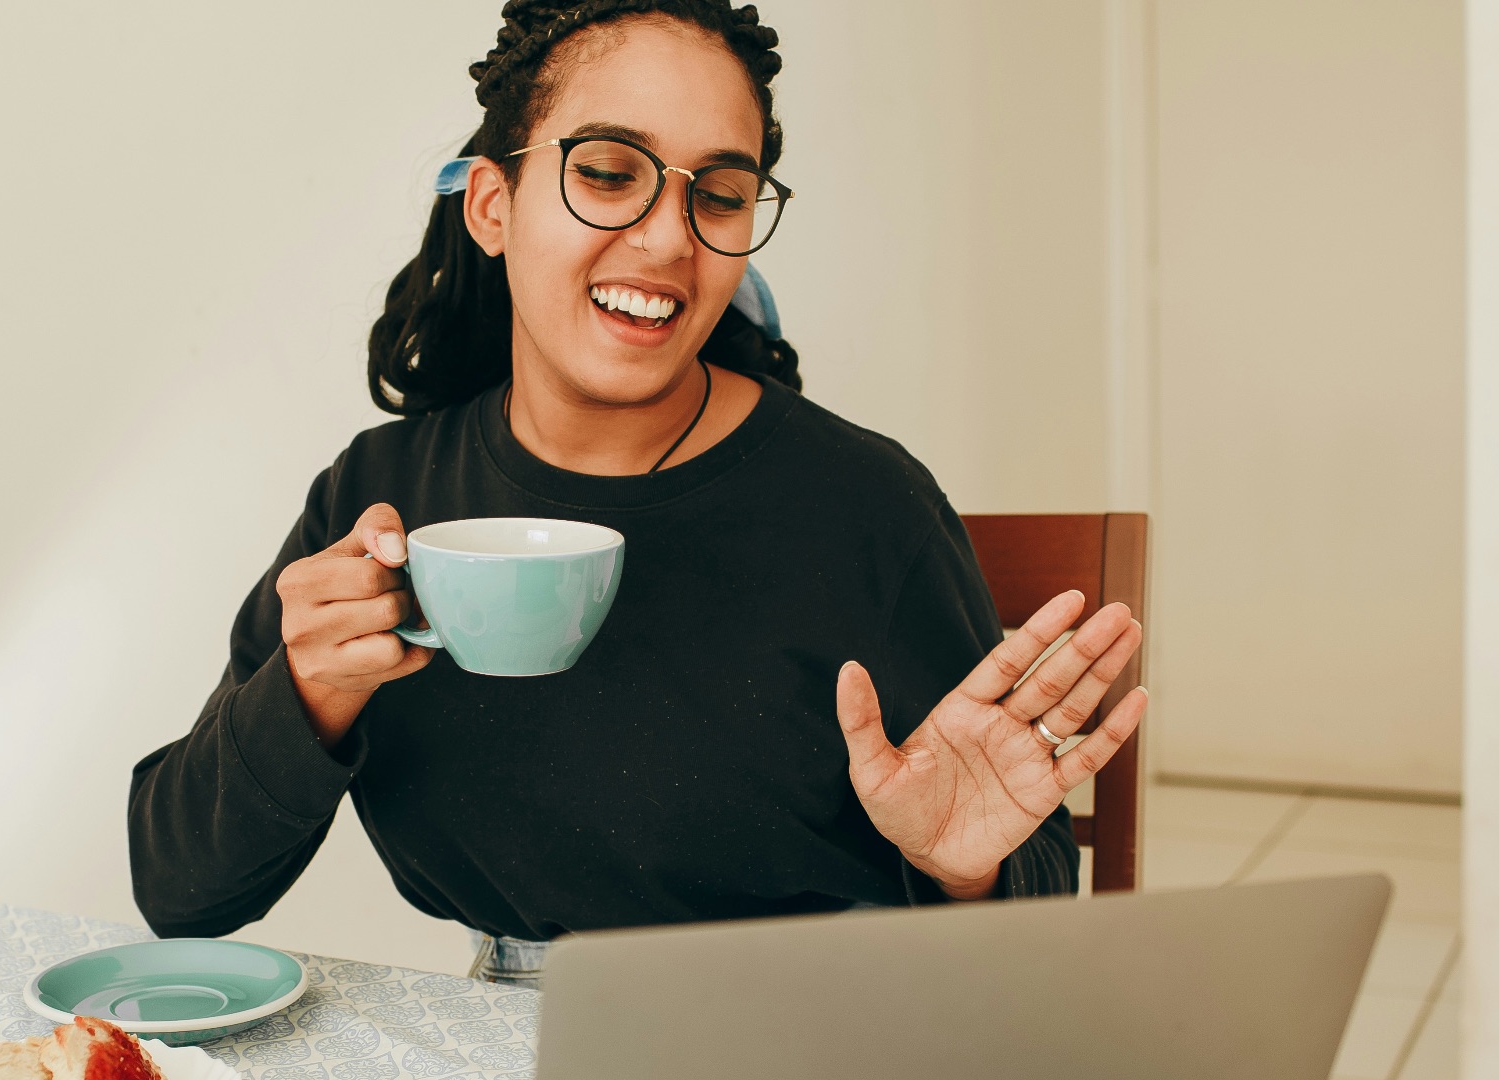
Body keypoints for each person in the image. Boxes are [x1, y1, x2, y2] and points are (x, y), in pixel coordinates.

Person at [127, 0, 1146, 989]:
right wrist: (304, 698)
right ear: (492, 205)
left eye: (719, 194)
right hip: (495, 1032)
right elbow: (181, 894)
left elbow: (1032, 902)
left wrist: (961, 870)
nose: (668, 242)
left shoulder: (866, 505)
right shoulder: (380, 498)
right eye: (610, 174)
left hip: (817, 1034)